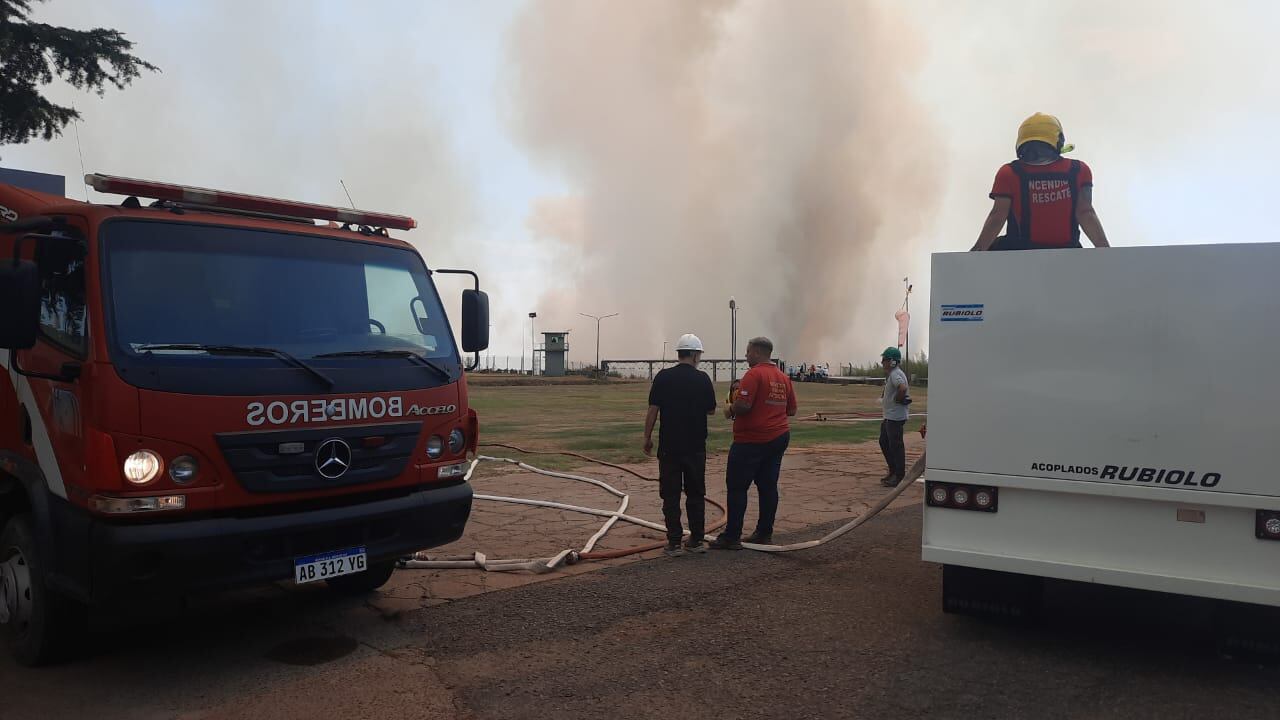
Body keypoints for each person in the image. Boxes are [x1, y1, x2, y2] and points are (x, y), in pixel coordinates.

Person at [972, 113, 1109, 252]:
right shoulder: (1079, 170)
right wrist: (1106, 252)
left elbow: (998, 216)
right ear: (1059, 140)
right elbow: (1085, 213)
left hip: (1018, 252)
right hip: (1067, 252)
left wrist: (977, 251)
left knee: (995, 247)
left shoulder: (1009, 173)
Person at [711, 336, 797, 549]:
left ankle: (732, 536)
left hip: (751, 440)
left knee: (737, 487)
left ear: (757, 353)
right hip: (778, 437)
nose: (746, 355)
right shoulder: (783, 378)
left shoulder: (753, 374)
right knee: (768, 486)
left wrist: (730, 408)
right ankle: (764, 532)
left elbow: (743, 406)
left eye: (748, 352)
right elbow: (792, 410)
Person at [644, 333, 717, 555]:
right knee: (696, 494)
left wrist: (646, 437)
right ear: (695, 355)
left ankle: (674, 542)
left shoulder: (663, 377)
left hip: (669, 447)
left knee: (670, 494)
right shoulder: (703, 379)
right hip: (695, 447)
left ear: (679, 354)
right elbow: (711, 410)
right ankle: (696, 540)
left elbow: (653, 410)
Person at [879, 347, 909, 487]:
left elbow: (902, 388)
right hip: (890, 416)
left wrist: (898, 399)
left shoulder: (895, 374)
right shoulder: (893, 374)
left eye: (884, 359)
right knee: (884, 442)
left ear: (892, 361)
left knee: (895, 445)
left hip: (894, 417)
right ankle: (893, 471)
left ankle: (899, 476)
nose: (882, 362)